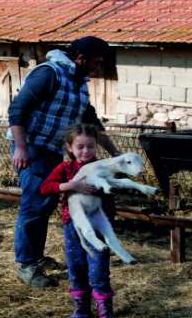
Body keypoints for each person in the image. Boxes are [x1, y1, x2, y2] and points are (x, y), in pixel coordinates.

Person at [8, 36, 120, 288]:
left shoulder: (79, 83)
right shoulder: (49, 74)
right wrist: (21, 148)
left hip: (49, 148)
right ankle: (27, 265)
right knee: (35, 203)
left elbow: (91, 121)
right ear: (81, 59)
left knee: (46, 202)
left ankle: (36, 257)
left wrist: (115, 153)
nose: (98, 67)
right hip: (30, 146)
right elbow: (18, 110)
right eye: (96, 62)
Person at [39, 124, 116, 318]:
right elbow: (46, 187)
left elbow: (113, 189)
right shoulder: (65, 169)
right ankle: (81, 310)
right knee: (76, 266)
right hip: (73, 226)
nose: (85, 151)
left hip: (97, 228)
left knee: (98, 268)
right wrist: (70, 186)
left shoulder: (102, 167)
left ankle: (106, 314)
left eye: (90, 146)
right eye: (80, 147)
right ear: (70, 148)